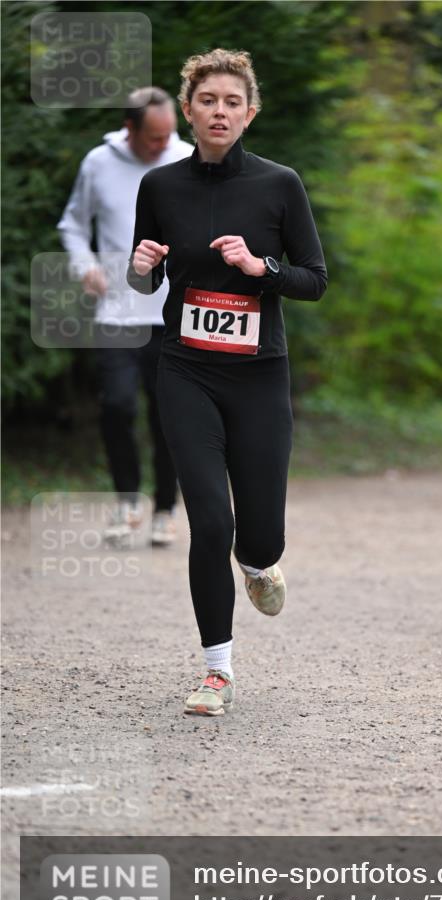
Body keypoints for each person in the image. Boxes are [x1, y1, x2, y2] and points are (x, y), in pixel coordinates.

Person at [127, 49, 327, 715]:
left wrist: (259, 267)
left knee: (259, 535)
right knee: (210, 522)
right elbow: (145, 279)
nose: (219, 111)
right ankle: (217, 670)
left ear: (250, 112)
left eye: (231, 102)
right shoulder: (160, 187)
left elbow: (314, 280)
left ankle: (259, 561)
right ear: (188, 111)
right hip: (185, 370)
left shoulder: (279, 184)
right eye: (207, 100)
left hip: (258, 377)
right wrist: (139, 267)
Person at [58, 88, 193, 546]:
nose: (163, 145)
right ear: (129, 128)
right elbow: (73, 224)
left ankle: (165, 508)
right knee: (116, 405)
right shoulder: (99, 162)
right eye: (154, 137)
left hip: (173, 313)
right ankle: (126, 501)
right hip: (116, 311)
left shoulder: (188, 159)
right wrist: (85, 266)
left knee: (168, 415)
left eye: (169, 134)